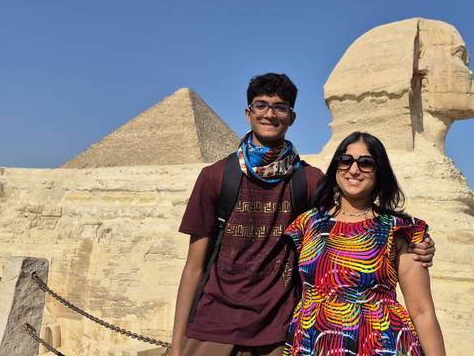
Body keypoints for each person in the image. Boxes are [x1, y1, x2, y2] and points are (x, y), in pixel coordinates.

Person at [170, 74, 435, 356]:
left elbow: (353, 220)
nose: (269, 114)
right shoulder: (216, 177)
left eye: (279, 107)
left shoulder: (309, 181)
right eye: (261, 105)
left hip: (277, 331)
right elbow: (194, 268)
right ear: (248, 113)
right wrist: (177, 346)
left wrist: (415, 242)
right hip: (214, 326)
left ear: (292, 117)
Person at [283, 132, 446, 356]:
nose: (354, 170)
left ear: (379, 172)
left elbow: (422, 311)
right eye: (346, 160)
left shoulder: (399, 230)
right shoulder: (307, 224)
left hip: (379, 346)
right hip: (313, 344)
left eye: (366, 163)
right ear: (336, 166)